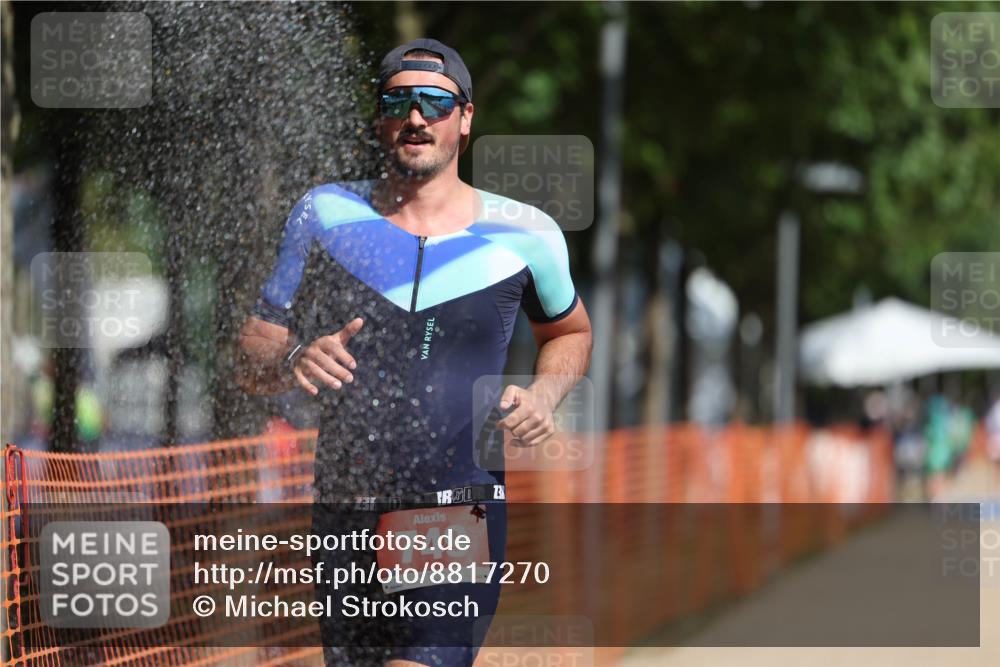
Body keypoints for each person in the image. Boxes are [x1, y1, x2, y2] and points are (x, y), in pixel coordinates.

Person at [236, 38, 592, 667]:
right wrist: (293, 358)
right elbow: (251, 353)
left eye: (435, 101)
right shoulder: (323, 214)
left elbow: (570, 332)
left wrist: (544, 392)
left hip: (456, 500)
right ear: (380, 117)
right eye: (398, 101)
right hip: (347, 498)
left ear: (467, 117)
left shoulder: (525, 233)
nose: (417, 116)